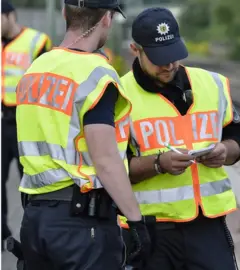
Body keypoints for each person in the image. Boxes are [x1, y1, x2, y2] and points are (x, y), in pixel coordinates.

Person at [15, 0, 151, 269]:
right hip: (80, 226)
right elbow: (105, 159)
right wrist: (136, 222)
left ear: (65, 12)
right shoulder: (95, 74)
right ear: (106, 19)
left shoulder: (36, 69)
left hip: (35, 220)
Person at [119, 7, 240, 270]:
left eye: (174, 56)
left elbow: (237, 137)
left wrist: (226, 150)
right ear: (136, 49)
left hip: (207, 226)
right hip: (150, 231)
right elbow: (112, 168)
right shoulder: (119, 96)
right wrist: (158, 164)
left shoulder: (212, 84)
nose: (169, 65)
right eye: (159, 58)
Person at [1, 0, 52, 247]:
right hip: (1, 122)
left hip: (26, 124)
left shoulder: (37, 41)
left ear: (10, 15)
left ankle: (33, 236)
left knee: (31, 182)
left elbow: (47, 85)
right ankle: (2, 234)